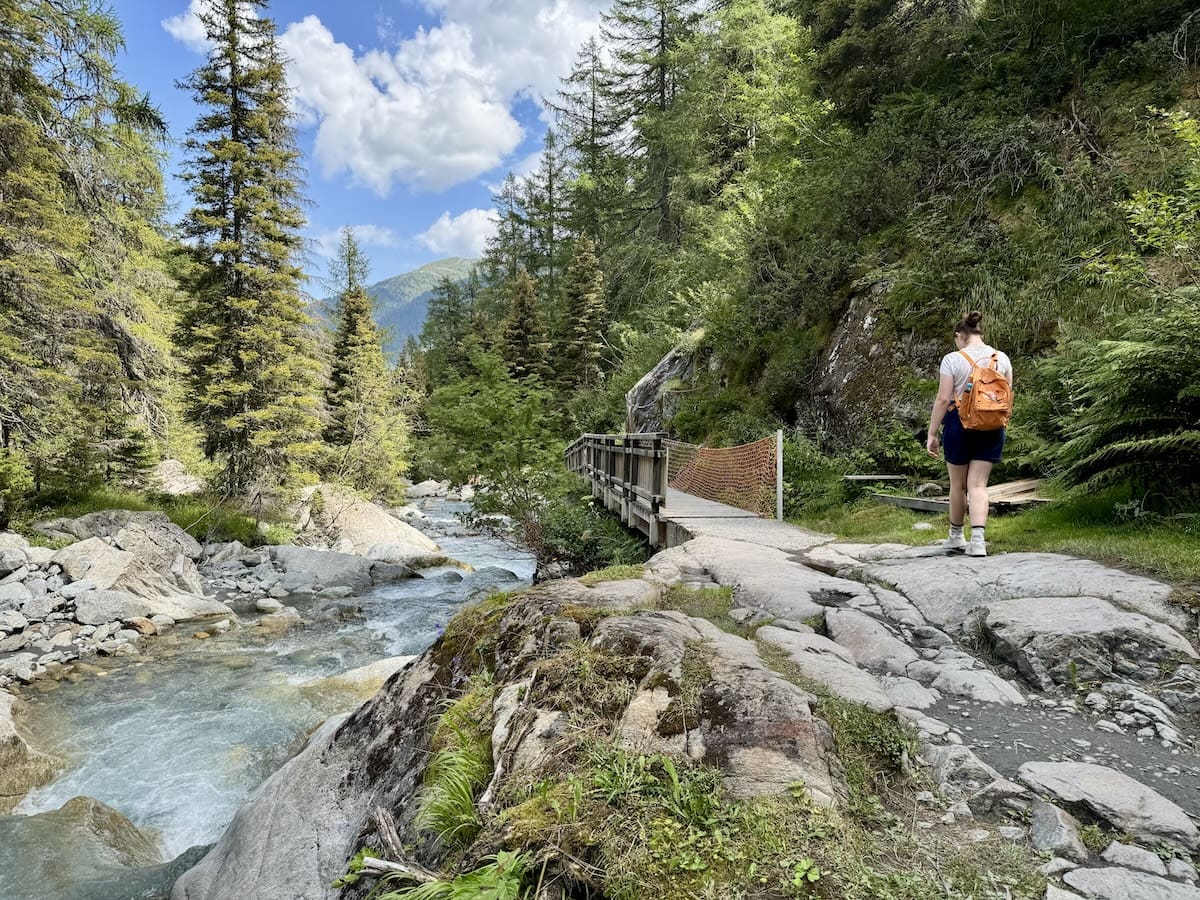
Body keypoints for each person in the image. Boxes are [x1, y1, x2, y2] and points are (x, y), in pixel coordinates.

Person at [925, 311, 1013, 557]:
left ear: (959, 336)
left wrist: (932, 433)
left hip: (958, 424)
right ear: (980, 334)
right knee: (978, 485)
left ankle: (956, 536)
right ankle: (978, 541)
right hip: (993, 425)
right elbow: (1009, 396)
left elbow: (943, 399)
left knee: (958, 485)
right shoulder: (1002, 358)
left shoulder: (952, 359)